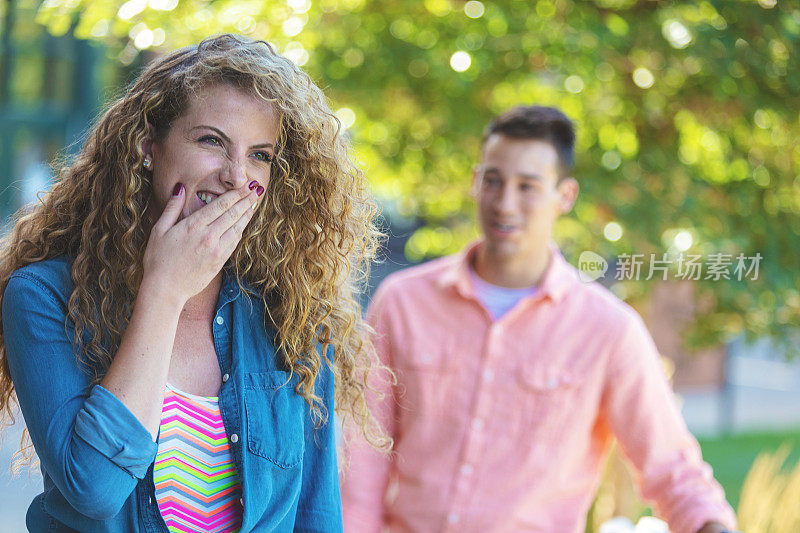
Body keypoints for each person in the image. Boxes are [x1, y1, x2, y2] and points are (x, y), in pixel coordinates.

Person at [0, 34, 386, 532]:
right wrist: (163, 291)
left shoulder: (290, 310)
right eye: (211, 141)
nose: (235, 175)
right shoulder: (43, 296)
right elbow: (93, 489)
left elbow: (316, 513)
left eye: (260, 155)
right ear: (147, 146)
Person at [340, 106, 739, 533]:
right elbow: (360, 464)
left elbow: (674, 472)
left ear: (564, 197)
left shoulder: (608, 330)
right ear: (476, 182)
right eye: (493, 181)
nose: (505, 203)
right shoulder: (402, 302)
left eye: (527, 187)